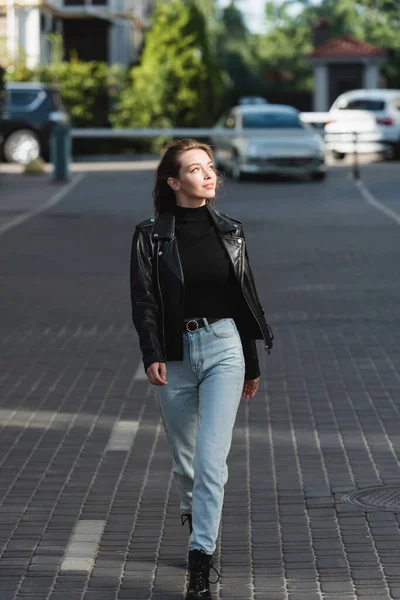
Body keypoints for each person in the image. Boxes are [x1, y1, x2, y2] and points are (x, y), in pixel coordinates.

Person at [130, 138, 273, 600]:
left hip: (225, 347)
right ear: (174, 182)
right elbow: (144, 301)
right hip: (173, 355)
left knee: (212, 463)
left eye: (210, 167)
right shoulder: (150, 236)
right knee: (187, 465)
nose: (209, 175)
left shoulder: (231, 231)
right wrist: (151, 353)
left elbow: (244, 299)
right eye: (195, 169)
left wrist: (250, 363)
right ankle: (199, 522)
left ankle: (200, 562)